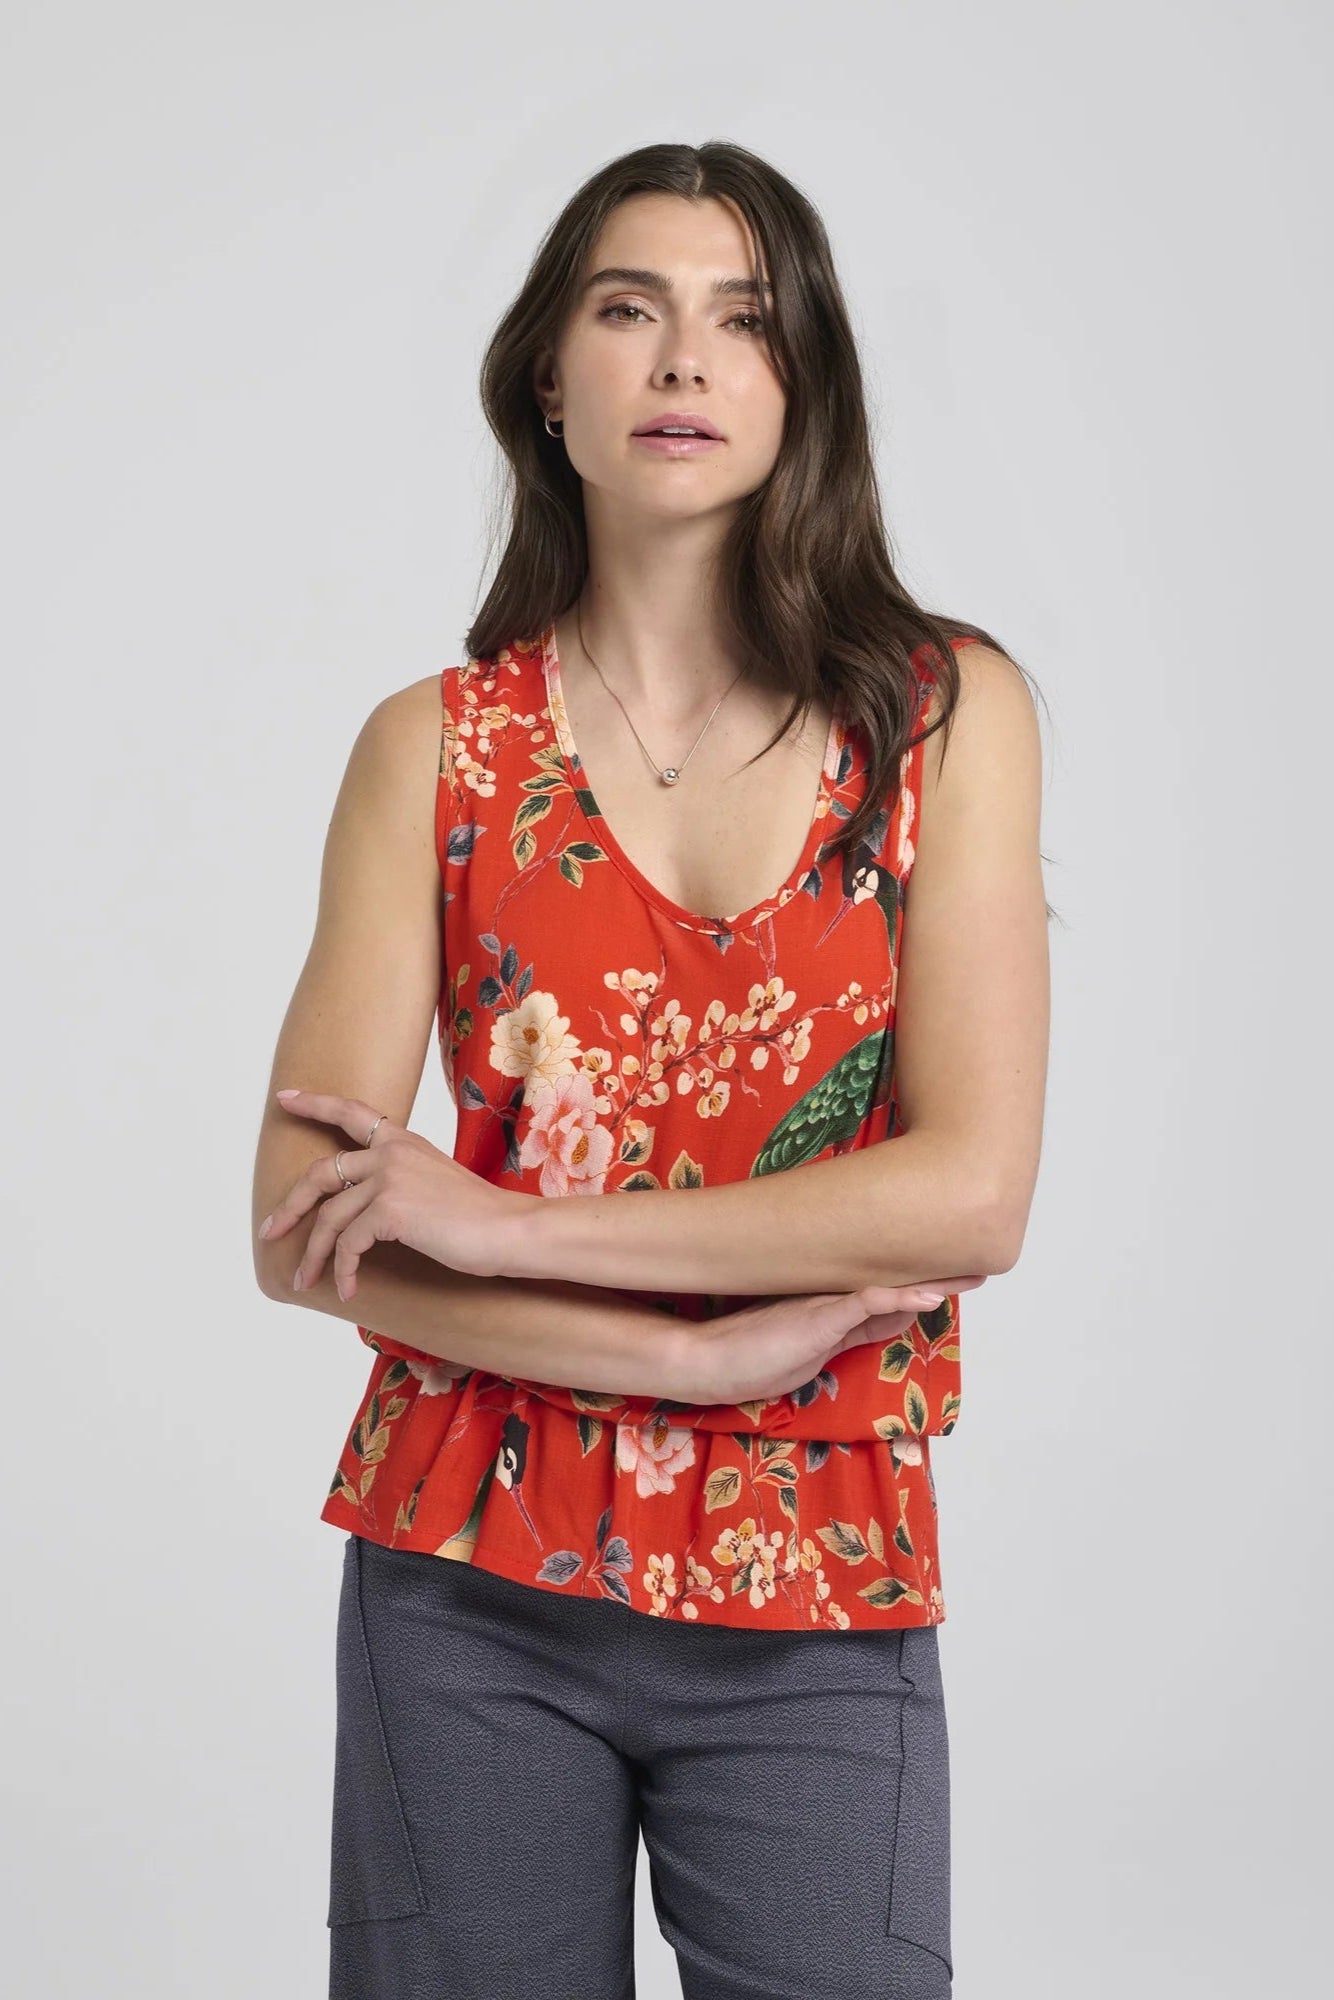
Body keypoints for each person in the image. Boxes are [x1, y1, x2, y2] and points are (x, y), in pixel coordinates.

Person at [251, 140, 1049, 2000]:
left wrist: (509, 1232)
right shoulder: (434, 751)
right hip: (467, 1566)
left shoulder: (939, 715)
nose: (685, 360)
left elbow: (966, 1196)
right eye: (630, 309)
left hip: (816, 1558)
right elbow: (302, 1230)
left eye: (743, 320)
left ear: (801, 381)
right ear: (550, 375)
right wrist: (690, 1357)